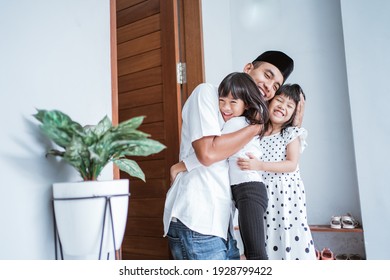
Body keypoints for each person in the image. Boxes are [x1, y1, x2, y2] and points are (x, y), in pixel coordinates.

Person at [163, 51, 294, 260]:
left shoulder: (245, 116)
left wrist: (182, 165)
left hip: (222, 225)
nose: (270, 87)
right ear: (248, 68)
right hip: (196, 219)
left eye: (276, 85)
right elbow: (208, 153)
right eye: (268, 76)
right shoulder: (207, 93)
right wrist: (255, 127)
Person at [237, 84, 316, 260]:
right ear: (270, 102)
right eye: (279, 100)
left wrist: (259, 165)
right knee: (264, 233)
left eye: (289, 106)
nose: (282, 106)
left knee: (287, 233)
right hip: (263, 193)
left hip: (285, 196)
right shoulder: (257, 132)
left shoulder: (290, 133)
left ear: (295, 113)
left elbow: (291, 164)